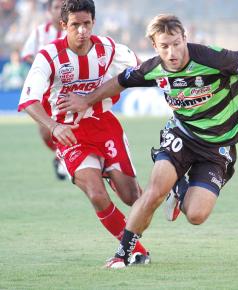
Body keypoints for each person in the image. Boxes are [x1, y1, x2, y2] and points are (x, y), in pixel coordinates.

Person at [58, 14, 238, 268]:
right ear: (155, 47)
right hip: (182, 136)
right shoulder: (154, 67)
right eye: (164, 46)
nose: (172, 52)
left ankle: (180, 187)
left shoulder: (212, 58)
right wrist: (86, 100)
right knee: (154, 193)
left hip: (217, 147)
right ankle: (123, 253)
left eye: (176, 44)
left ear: (185, 39)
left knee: (196, 215)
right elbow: (120, 81)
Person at [18, 0, 150, 265]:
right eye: (75, 25)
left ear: (93, 23)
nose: (82, 31)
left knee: (133, 198)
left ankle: (122, 179)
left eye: (86, 24)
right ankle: (136, 251)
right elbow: (28, 100)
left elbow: (139, 70)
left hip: (105, 125)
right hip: (70, 132)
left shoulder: (108, 48)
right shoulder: (48, 56)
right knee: (96, 194)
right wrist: (54, 126)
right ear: (63, 25)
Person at [20, 0, 68, 180]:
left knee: (70, 124)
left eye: (63, 7)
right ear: (49, 11)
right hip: (44, 90)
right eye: (56, 7)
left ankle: (69, 157)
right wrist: (43, 68)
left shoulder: (73, 30)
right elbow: (27, 54)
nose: (59, 11)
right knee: (44, 131)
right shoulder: (41, 32)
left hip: (66, 88)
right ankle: (60, 156)